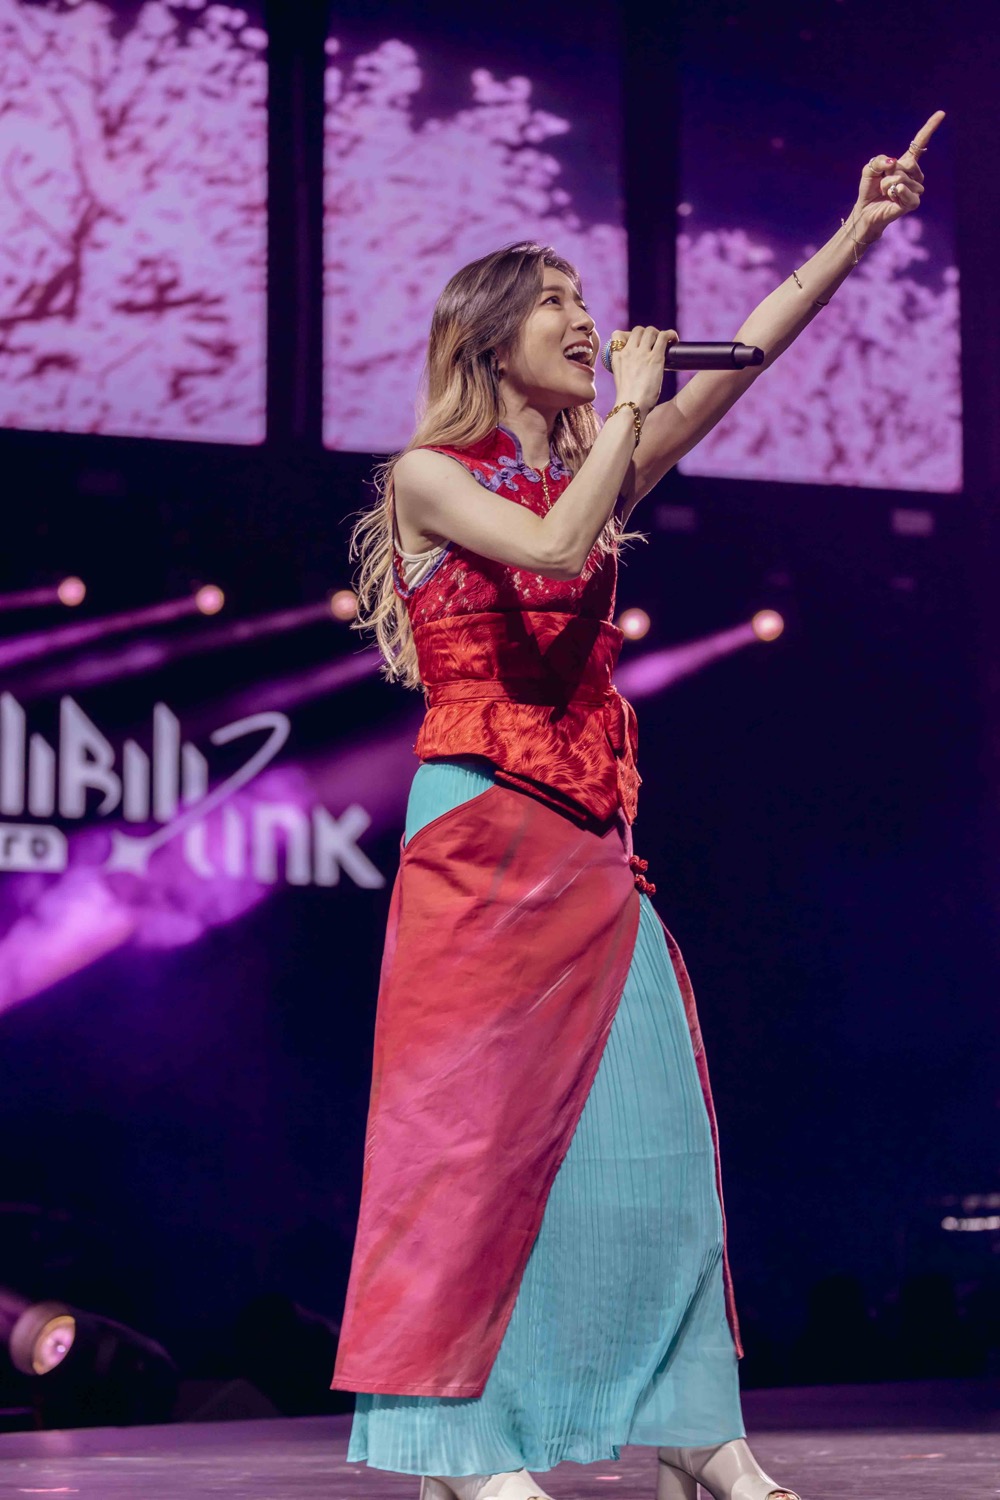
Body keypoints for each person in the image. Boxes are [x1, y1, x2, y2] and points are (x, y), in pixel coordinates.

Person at [330, 113, 943, 1500]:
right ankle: (458, 1450)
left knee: (661, 1140)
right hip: (478, 833)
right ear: (490, 340)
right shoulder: (432, 477)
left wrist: (858, 229)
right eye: (554, 302)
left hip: (591, 842)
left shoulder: (594, 462)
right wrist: (623, 422)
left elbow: (753, 355)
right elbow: (554, 549)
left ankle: (696, 1433)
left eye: (583, 298)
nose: (586, 319)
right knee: (466, 1149)